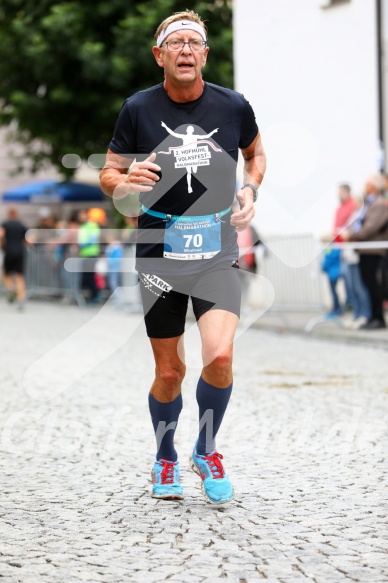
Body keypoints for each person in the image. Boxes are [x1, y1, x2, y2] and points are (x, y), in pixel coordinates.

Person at [100, 10, 266, 504]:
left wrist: (250, 190)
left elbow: (256, 153)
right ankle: (165, 456)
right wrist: (125, 182)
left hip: (216, 249)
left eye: (196, 42)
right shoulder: (137, 109)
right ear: (161, 55)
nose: (187, 50)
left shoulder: (233, 106)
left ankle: (206, 449)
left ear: (205, 54)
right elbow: (109, 172)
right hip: (159, 251)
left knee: (219, 355)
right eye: (177, 43)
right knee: (170, 371)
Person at [342, 174, 388, 329]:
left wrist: (352, 235)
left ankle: (378, 318)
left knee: (374, 285)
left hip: (373, 251)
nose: (365, 187)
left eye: (368, 184)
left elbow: (370, 228)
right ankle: (372, 317)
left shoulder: (379, 204)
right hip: (365, 250)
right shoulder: (370, 205)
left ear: (374, 187)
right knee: (368, 285)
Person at [333, 183, 356, 311]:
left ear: (346, 192)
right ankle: (347, 302)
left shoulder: (352, 206)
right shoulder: (340, 207)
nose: (338, 195)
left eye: (340, 192)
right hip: (338, 246)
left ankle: (352, 303)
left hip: (348, 246)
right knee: (343, 276)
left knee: (350, 277)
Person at [0, 206, 27, 310]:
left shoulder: (5, 224)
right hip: (20, 253)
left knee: (6, 275)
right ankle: (21, 299)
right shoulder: (21, 225)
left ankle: (12, 290)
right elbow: (28, 239)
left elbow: (1, 235)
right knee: (20, 277)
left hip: (9, 252)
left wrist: (2, 245)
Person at [77, 208, 104, 304]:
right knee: (87, 276)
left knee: (90, 277)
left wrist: (82, 245)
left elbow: (92, 240)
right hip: (85, 255)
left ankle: (96, 296)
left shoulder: (93, 226)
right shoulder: (84, 226)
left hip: (91, 254)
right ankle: (93, 296)